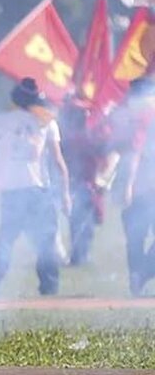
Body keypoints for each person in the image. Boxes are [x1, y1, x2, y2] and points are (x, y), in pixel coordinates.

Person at [0, 78, 70, 299]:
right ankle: (49, 288)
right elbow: (58, 161)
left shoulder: (1, 121)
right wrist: (66, 192)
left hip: (11, 190)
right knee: (45, 242)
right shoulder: (47, 122)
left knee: (5, 241)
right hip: (37, 190)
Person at [111, 77, 155, 295]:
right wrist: (128, 185)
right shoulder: (142, 117)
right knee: (135, 235)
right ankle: (141, 275)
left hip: (141, 187)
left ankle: (139, 276)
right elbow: (133, 154)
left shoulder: (131, 115)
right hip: (143, 188)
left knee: (134, 238)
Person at [58, 95, 110, 266]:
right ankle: (80, 256)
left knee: (80, 222)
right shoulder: (87, 137)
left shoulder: (73, 137)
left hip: (80, 183)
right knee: (83, 223)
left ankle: (79, 255)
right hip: (84, 183)